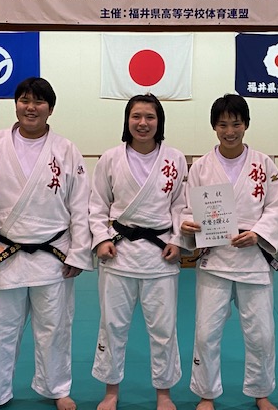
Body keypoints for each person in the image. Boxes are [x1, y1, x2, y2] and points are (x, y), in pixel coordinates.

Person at [0, 77, 93, 410]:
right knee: (0, 329)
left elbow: (80, 204)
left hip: (54, 255)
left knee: (55, 328)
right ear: (15, 104)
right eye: (24, 100)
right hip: (6, 254)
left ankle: (56, 387)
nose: (31, 107)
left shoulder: (66, 149)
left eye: (39, 102)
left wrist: (78, 253)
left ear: (50, 108)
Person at [180, 94, 278, 410]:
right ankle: (206, 393)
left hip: (253, 259)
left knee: (261, 334)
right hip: (215, 260)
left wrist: (259, 233)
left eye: (236, 124)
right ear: (214, 126)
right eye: (223, 125)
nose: (230, 131)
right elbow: (186, 209)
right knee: (206, 332)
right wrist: (188, 225)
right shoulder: (201, 167)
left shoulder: (264, 164)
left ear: (246, 125)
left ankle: (261, 392)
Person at [89, 93, 188, 410]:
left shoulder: (175, 158)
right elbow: (96, 205)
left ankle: (164, 393)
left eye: (150, 117)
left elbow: (182, 206)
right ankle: (111, 391)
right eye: (136, 116)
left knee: (163, 329)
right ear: (127, 120)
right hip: (119, 253)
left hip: (160, 255)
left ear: (159, 122)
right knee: (112, 326)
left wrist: (178, 240)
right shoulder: (110, 158)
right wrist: (101, 238)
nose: (143, 123)